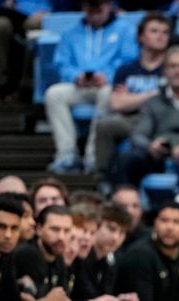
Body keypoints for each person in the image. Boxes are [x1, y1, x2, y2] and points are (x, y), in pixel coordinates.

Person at [44, 0, 138, 173]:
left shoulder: (125, 30)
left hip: (108, 84)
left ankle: (93, 157)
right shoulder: (70, 33)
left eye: (99, 10)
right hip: (80, 85)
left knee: (107, 93)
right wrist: (76, 76)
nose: (94, 15)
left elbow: (128, 60)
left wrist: (107, 75)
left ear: (109, 6)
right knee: (53, 93)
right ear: (84, 8)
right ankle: (67, 155)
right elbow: (62, 63)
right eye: (90, 10)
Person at [94, 13, 171, 180]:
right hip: (131, 120)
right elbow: (117, 103)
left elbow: (171, 99)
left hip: (161, 120)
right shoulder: (126, 69)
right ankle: (102, 179)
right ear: (141, 37)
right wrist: (154, 93)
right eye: (154, 31)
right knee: (105, 125)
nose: (160, 36)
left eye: (165, 32)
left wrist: (132, 98)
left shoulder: (171, 68)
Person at [115, 46, 179, 186]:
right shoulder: (153, 102)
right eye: (173, 66)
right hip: (159, 156)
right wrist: (151, 146)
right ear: (164, 72)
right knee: (127, 158)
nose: (178, 71)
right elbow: (138, 134)